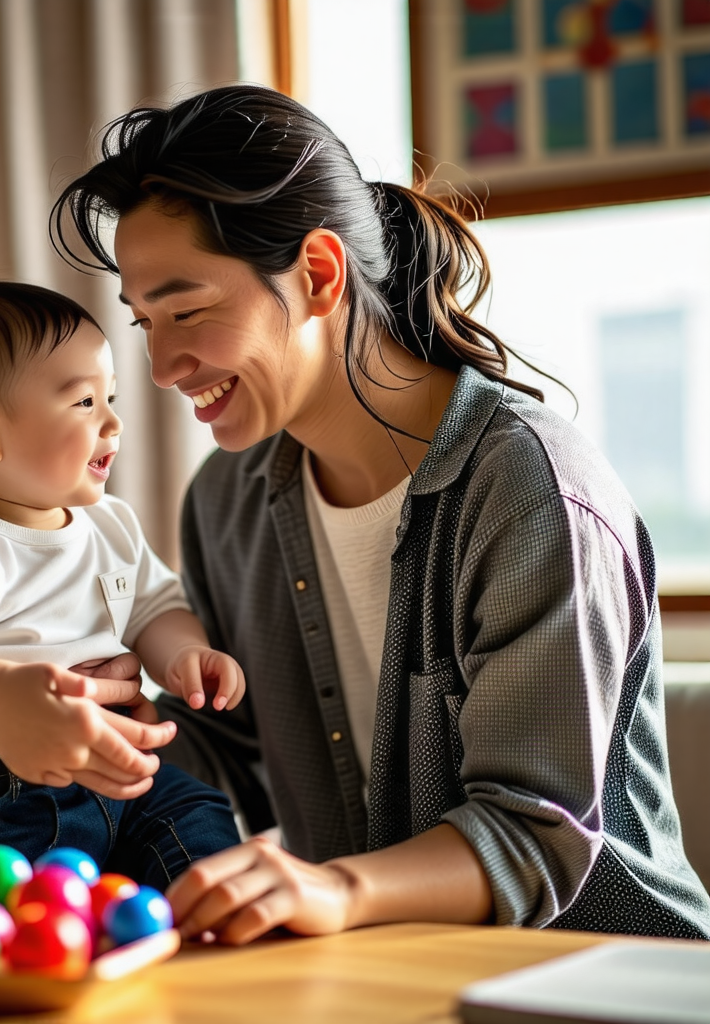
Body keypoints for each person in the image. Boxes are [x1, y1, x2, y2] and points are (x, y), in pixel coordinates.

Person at [50, 84, 710, 941]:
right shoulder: (226, 501)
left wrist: (339, 892)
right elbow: (233, 760)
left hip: (600, 980)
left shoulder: (530, 489)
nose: (164, 366)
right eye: (145, 323)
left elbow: (535, 836)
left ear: (319, 275)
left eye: (189, 310)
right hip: (376, 982)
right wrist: (118, 729)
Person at [0, 280, 243, 891]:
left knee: (198, 814)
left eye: (109, 396)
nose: (114, 421)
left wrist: (184, 655)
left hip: (111, 771)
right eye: (84, 403)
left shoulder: (109, 524)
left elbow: (155, 606)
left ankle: (211, 940)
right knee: (20, 921)